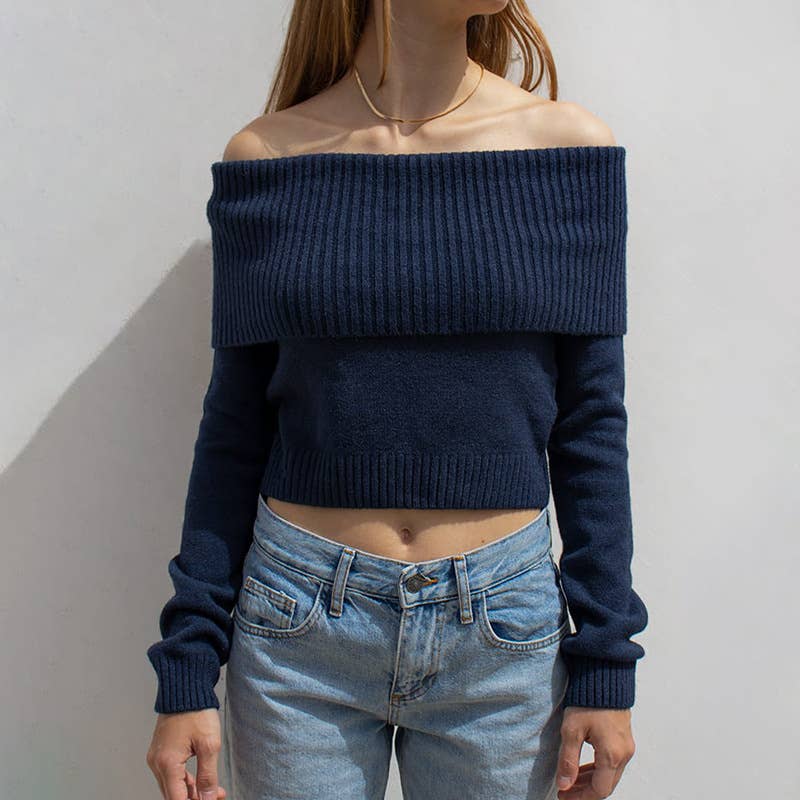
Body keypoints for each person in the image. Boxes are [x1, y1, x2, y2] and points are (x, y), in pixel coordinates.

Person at [145, 1, 649, 798]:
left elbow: (591, 426)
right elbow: (234, 431)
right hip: (297, 631)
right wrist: (187, 665)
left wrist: (606, 661)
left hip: (501, 633)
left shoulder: (565, 148)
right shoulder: (269, 156)